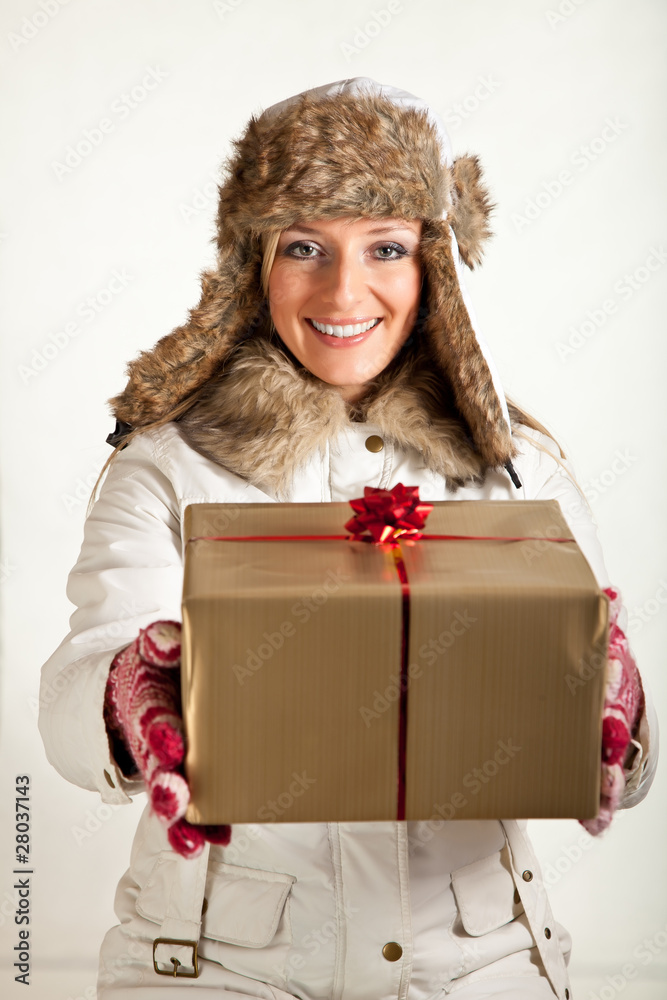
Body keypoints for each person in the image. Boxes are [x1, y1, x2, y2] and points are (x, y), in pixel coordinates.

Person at [39, 78, 657, 999]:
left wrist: (622, 711)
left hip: (483, 964)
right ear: (254, 264)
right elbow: (76, 679)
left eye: (385, 248)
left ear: (433, 267)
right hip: (216, 967)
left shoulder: (513, 470)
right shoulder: (166, 466)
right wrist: (124, 695)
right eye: (303, 247)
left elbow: (621, 730)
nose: (344, 290)